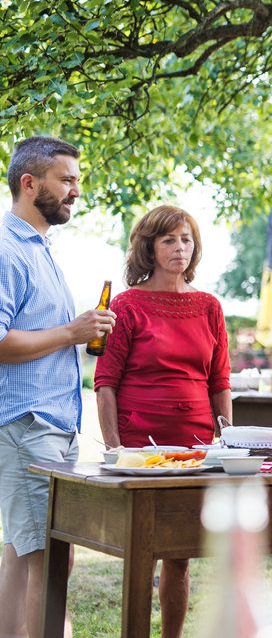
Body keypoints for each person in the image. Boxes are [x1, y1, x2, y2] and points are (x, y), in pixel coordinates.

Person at [93, 205, 232, 638]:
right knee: (143, 549)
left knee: (181, 552)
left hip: (194, 444)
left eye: (186, 239)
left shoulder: (209, 306)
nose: (179, 248)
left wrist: (227, 441)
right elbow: (105, 382)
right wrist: (115, 447)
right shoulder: (127, 305)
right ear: (149, 247)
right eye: (168, 239)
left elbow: (220, 382)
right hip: (139, 444)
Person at [0, 136, 115, 638]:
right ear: (30, 183)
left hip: (50, 426)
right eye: (66, 180)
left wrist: (80, 333)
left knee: (25, 555)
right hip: (26, 426)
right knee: (44, 561)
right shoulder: (7, 250)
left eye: (78, 182)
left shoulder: (40, 249)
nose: (76, 191)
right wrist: (72, 331)